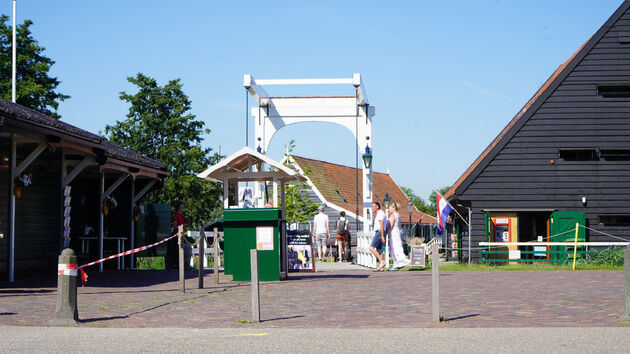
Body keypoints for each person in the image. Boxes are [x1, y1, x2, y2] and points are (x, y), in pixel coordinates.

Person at [167, 202, 192, 269]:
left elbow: (182, 225)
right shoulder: (176, 216)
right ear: (178, 208)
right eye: (181, 207)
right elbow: (175, 226)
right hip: (176, 235)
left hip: (181, 235)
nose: (183, 208)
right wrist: (183, 225)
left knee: (180, 250)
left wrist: (186, 224)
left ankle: (179, 264)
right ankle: (175, 265)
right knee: (176, 250)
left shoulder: (181, 216)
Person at [387, 202, 411, 270]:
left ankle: (402, 262)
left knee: (394, 249)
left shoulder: (393, 216)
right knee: (395, 248)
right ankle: (397, 264)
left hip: (394, 234)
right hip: (397, 233)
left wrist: (385, 232)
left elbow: (390, 226)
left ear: (394, 208)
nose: (389, 210)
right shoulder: (398, 216)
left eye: (389, 208)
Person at [369, 202, 388, 271]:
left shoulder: (380, 213)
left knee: (371, 248)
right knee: (378, 249)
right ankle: (381, 266)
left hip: (380, 232)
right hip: (381, 232)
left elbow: (381, 224)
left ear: (377, 207)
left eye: (373, 206)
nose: (372, 208)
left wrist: (382, 235)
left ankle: (382, 261)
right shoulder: (381, 213)